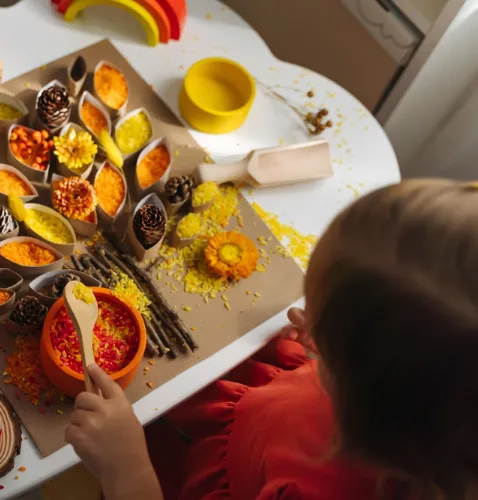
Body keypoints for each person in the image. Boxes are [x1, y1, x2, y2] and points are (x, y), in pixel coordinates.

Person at [65, 180, 478, 500]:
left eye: (322, 314)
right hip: (253, 416)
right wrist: (325, 351)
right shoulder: (429, 408)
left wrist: (130, 474)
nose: (308, 316)